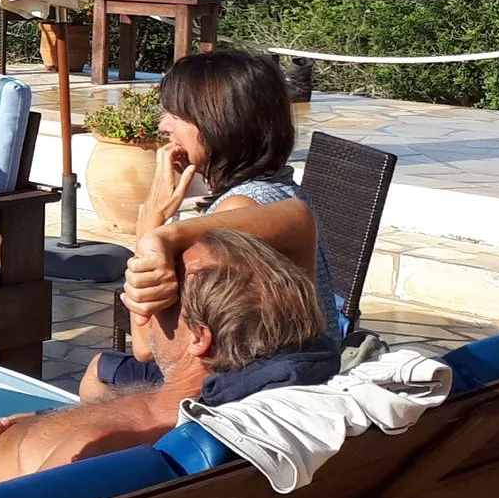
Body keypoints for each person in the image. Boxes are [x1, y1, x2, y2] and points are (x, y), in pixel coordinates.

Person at [0, 227, 330, 485]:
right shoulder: (197, 402)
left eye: (162, 292)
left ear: (199, 337)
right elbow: (298, 220)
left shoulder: (103, 448)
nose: (141, 303)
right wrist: (162, 238)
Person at [118, 48, 341, 348]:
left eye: (176, 116)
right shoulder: (276, 188)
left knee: (103, 370)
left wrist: (150, 221)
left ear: (218, 125)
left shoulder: (239, 208)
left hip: (262, 376)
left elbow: (149, 347)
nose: (163, 126)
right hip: (292, 364)